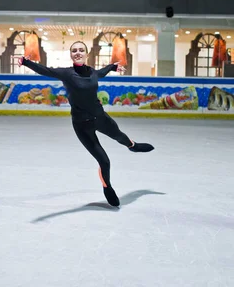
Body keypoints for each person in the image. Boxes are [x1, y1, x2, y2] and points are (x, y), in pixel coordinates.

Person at [18, 41, 154, 207]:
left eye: (81, 50)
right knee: (104, 161)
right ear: (70, 55)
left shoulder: (93, 73)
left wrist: (113, 67)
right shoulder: (66, 74)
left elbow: (102, 72)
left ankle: (133, 146)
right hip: (82, 126)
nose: (78, 52)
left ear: (86, 53)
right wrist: (25, 62)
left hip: (101, 118)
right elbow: (45, 70)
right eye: (74, 50)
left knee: (121, 137)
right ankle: (107, 187)